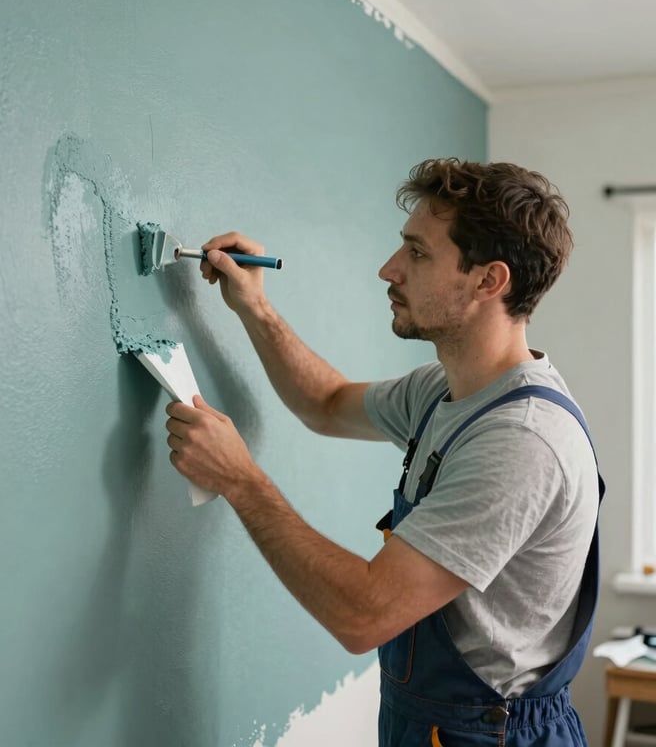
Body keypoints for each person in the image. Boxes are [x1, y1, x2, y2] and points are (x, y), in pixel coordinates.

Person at [164, 158, 603, 746]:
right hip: (425, 722)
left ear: (487, 281)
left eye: (417, 254)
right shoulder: (443, 391)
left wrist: (240, 480)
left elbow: (364, 614)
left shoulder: (522, 440)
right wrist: (256, 307)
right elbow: (324, 401)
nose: (388, 270)